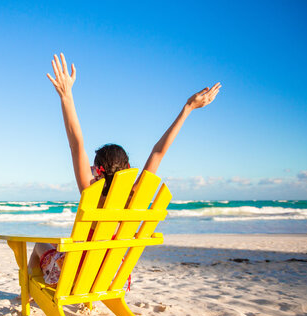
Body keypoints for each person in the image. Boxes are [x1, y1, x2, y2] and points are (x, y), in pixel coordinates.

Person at [30, 53, 221, 286]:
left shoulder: (91, 193)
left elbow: (76, 144)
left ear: (97, 172)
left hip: (76, 277)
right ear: (128, 168)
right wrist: (188, 108)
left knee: (41, 245)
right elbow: (159, 152)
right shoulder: (134, 196)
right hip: (112, 277)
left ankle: (30, 296)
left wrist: (66, 95)